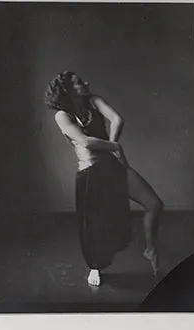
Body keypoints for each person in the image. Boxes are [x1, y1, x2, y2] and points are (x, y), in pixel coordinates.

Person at [44, 71, 165, 288]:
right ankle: (95, 266)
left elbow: (118, 119)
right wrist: (114, 146)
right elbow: (84, 141)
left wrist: (111, 143)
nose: (86, 82)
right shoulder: (62, 115)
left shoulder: (93, 100)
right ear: (68, 91)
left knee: (154, 204)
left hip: (111, 166)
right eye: (79, 82)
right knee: (95, 227)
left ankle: (150, 248)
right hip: (90, 173)